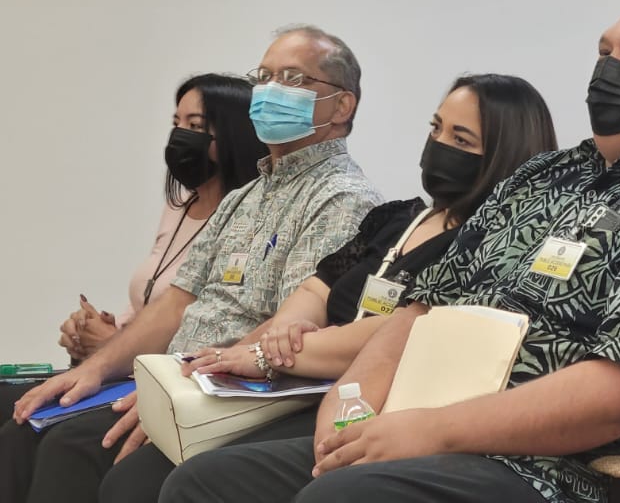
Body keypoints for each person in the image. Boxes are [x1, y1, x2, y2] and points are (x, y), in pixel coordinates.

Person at [157, 0, 620, 503]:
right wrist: (348, 415)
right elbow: (419, 310)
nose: (607, 69)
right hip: (427, 428)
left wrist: (429, 430)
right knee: (205, 484)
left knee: (344, 499)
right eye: (604, 51)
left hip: (571, 473)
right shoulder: (545, 178)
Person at [99, 73, 558, 503]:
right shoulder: (396, 218)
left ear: (506, 154)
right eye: (436, 128)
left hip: (361, 397)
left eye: (461, 140)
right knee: (134, 476)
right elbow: (318, 289)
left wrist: (268, 354)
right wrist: (290, 325)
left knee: (196, 478)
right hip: (301, 381)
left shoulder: (490, 243)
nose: (438, 146)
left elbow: (400, 333)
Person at [2, 27, 384, 503]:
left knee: (72, 447)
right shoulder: (245, 196)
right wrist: (96, 369)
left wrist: (178, 394)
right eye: (263, 77)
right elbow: (177, 303)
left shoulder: (343, 200)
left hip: (235, 394)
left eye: (291, 78)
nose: (268, 91)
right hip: (178, 378)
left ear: (341, 107)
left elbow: (287, 329)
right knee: (22, 419)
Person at [0, 74, 266, 414]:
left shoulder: (249, 223)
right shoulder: (178, 209)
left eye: (195, 125)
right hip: (126, 369)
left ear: (234, 136)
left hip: (172, 383)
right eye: (176, 122)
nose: (180, 135)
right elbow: (148, 302)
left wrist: (113, 349)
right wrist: (97, 333)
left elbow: (215, 328)